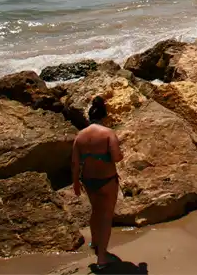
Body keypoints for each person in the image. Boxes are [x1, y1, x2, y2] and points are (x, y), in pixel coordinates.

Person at [72, 97, 124, 270]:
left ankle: (94, 243)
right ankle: (102, 258)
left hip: (88, 180)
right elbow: (116, 157)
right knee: (106, 216)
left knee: (95, 210)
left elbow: (74, 163)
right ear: (104, 115)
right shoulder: (108, 133)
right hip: (107, 180)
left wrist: (75, 184)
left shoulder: (80, 136)